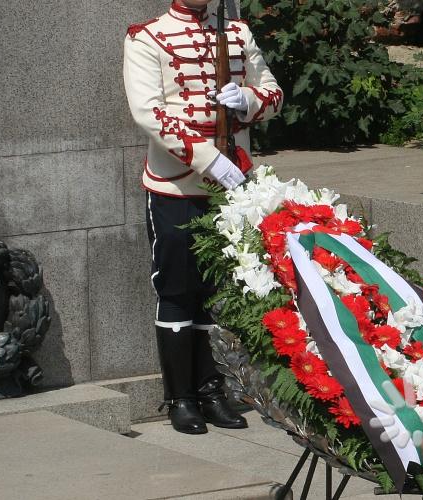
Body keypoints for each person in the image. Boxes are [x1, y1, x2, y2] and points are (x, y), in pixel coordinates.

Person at [123, 0, 283, 434]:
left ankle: (212, 391)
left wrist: (247, 100)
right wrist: (209, 160)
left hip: (232, 187)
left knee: (218, 291)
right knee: (177, 289)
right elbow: (150, 113)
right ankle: (181, 398)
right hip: (177, 185)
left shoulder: (238, 32)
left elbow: (272, 93)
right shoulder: (147, 37)